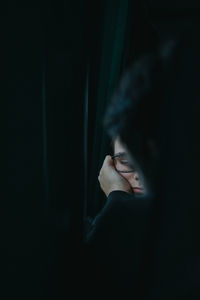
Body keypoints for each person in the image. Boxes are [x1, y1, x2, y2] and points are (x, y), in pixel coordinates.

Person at [85, 39, 177, 297]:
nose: (138, 175)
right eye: (125, 161)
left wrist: (118, 201)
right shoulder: (94, 226)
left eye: (150, 159)